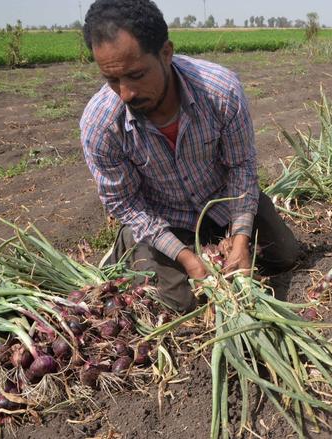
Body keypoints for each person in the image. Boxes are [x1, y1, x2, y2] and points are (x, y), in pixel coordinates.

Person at [80, 0, 298, 313]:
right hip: (165, 217)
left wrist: (240, 240)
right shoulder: (100, 125)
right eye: (112, 80)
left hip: (221, 200)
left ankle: (220, 241)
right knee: (180, 303)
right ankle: (131, 243)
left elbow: (241, 168)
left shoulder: (220, 91)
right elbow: (125, 202)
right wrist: (187, 259)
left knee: (286, 255)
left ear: (166, 53)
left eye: (137, 74)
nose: (125, 93)